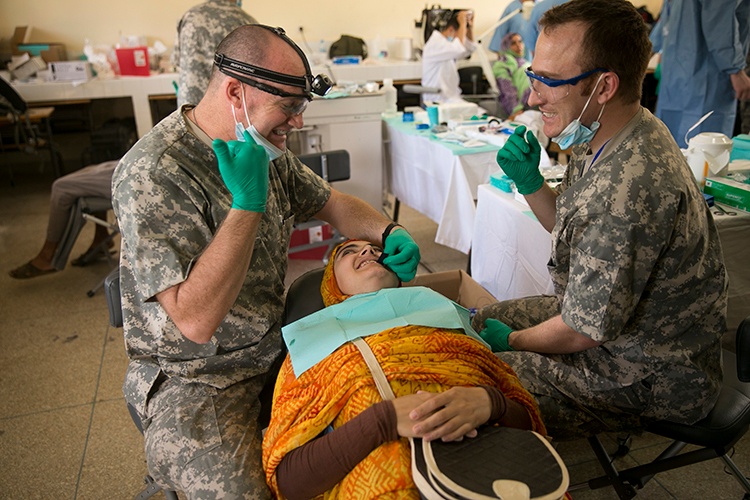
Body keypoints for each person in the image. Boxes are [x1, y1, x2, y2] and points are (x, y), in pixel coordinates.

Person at [112, 25, 421, 499]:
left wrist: (387, 231)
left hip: (275, 341)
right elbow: (195, 320)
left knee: (388, 425)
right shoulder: (154, 172)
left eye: (301, 108)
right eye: (289, 108)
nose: (296, 124)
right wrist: (247, 205)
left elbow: (333, 203)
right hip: (197, 377)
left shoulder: (263, 146)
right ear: (236, 93)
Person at [473, 0, 728, 441]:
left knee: (477, 374)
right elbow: (575, 228)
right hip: (613, 326)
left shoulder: (631, 186)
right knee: (475, 323)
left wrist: (511, 343)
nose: (533, 96)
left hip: (652, 372)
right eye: (534, 77)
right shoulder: (612, 131)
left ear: (604, 86)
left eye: (550, 82)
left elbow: (583, 330)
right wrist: (531, 183)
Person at [262, 240, 545, 499]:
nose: (369, 252)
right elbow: (289, 481)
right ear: (331, 285)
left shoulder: (451, 326)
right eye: (349, 252)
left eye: (375, 249)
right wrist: (381, 422)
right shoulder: (313, 350)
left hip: (491, 477)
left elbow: (529, 428)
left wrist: (491, 403)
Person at [654, 0, 750, 147]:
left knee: (668, 146)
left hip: (676, 70)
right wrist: (735, 69)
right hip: (709, 73)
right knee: (706, 149)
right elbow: (720, 21)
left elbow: (665, 21)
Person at [8, 160, 118, 279]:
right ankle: (101, 237)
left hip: (135, 175)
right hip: (132, 163)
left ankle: (47, 255)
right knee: (90, 170)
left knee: (61, 187)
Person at [172, 0, 257, 108]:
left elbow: (176, 60)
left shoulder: (190, 16)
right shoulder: (247, 22)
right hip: (227, 106)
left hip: (189, 104)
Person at [420, 9, 476, 103]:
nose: (461, 37)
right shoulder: (436, 44)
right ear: (451, 30)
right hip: (437, 100)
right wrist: (462, 24)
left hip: (450, 98)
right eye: (461, 33)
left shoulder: (447, 45)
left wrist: (469, 27)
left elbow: (469, 49)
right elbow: (459, 49)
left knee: (480, 114)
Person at [493, 32, 532, 119]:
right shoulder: (502, 65)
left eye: (520, 41)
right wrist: (517, 110)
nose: (519, 45)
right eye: (513, 43)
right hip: (521, 108)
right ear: (506, 47)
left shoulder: (526, 63)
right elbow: (507, 90)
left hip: (535, 101)